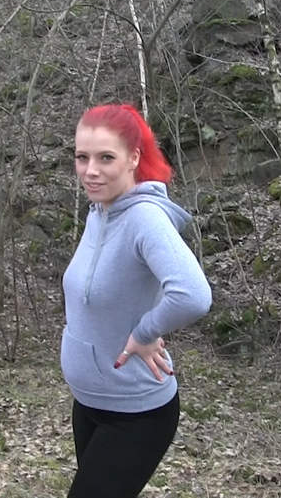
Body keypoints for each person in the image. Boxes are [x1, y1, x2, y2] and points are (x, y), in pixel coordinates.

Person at [60, 103, 212, 498]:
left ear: (133, 158)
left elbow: (193, 294)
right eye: (82, 157)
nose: (90, 170)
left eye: (105, 158)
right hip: (89, 404)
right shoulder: (99, 211)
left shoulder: (145, 218)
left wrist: (145, 332)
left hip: (134, 414)